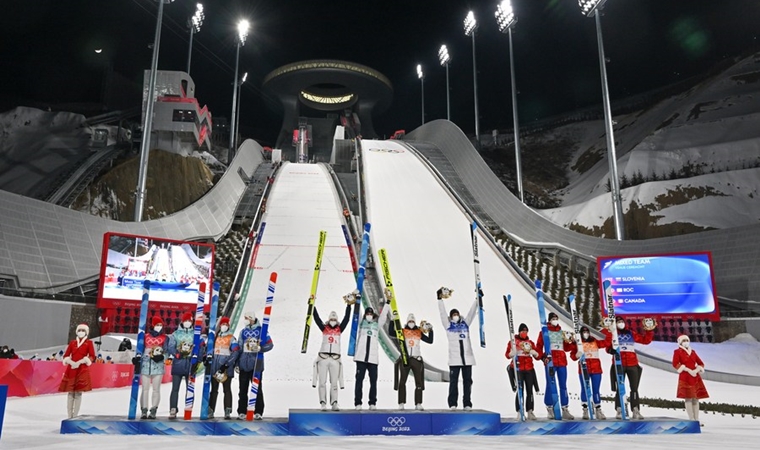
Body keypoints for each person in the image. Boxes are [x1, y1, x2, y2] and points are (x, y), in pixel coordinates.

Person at [601, 316, 656, 419]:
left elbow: (645, 341)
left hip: (632, 364)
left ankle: (635, 410)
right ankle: (619, 409)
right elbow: (607, 346)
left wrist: (649, 331)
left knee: (634, 388)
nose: (620, 323)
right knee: (620, 388)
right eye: (618, 322)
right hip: (619, 363)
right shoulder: (612, 333)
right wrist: (610, 350)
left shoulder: (631, 333)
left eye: (622, 321)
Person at [437, 286, 478, 410]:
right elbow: (442, 314)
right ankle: (453, 403)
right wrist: (439, 300)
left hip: (467, 359)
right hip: (455, 359)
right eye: (453, 314)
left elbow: (472, 312)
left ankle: (467, 403)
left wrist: (477, 299)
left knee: (468, 382)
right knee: (453, 382)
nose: (455, 316)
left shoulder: (465, 323)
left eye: (456, 314)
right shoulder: (448, 325)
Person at [312, 302, 351, 411]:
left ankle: (334, 402)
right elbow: (316, 318)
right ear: (329, 320)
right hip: (323, 358)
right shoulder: (324, 328)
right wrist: (312, 306)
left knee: (334, 382)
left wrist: (348, 306)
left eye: (334, 320)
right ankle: (323, 403)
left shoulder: (339, 329)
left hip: (335, 359)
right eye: (331, 320)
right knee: (322, 382)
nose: (333, 322)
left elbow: (346, 319)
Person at [536, 312, 575, 419]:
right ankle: (549, 407)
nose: (555, 320)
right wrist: (542, 357)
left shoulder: (561, 332)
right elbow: (538, 347)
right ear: (549, 320)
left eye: (556, 318)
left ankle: (565, 408)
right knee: (550, 384)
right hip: (551, 362)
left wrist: (571, 342)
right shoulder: (544, 332)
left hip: (562, 361)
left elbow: (566, 348)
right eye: (553, 318)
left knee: (563, 385)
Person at [236, 311, 273, 420]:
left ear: (252, 318)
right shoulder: (243, 332)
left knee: (257, 388)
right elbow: (239, 348)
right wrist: (237, 364)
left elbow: (270, 344)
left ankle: (258, 411)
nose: (245, 320)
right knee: (242, 389)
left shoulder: (262, 331)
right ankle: (242, 411)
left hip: (256, 364)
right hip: (244, 364)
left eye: (247, 318)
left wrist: (261, 348)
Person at [353, 300, 390, 410]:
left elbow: (383, 317)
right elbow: (357, 313)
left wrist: (387, 303)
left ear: (373, 315)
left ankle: (372, 403)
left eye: (370, 314)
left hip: (373, 359)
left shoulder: (376, 325)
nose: (369, 316)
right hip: (361, 358)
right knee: (359, 381)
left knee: (373, 382)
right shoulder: (361, 324)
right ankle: (358, 403)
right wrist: (357, 301)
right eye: (367, 314)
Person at [569, 325, 611, 420]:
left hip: (596, 369)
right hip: (584, 369)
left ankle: (598, 409)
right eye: (584, 333)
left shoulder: (594, 341)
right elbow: (572, 356)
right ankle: (585, 409)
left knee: (596, 390)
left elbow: (607, 342)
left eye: (587, 332)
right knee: (584, 389)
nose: (586, 334)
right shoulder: (578, 343)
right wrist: (576, 355)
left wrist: (609, 331)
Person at [396, 313, 434, 410]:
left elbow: (430, 341)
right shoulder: (403, 331)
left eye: (413, 321)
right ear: (407, 322)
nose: (411, 323)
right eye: (410, 321)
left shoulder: (418, 332)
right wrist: (393, 320)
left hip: (416, 359)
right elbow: (391, 332)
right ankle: (401, 402)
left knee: (419, 382)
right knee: (402, 381)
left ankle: (418, 403)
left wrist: (431, 330)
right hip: (405, 358)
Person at [58, 323, 96, 418]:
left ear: (86, 332)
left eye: (83, 330)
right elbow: (66, 355)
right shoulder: (72, 343)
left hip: (82, 369)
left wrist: (82, 361)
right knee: (70, 392)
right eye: (79, 330)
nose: (81, 332)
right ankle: (69, 415)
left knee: (78, 393)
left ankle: (75, 416)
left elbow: (92, 356)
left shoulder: (89, 343)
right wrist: (70, 362)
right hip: (72, 369)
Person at [135, 316, 169, 419]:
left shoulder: (164, 337)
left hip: (157, 366)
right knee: (145, 389)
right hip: (146, 365)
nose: (159, 327)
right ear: (153, 325)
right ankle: (144, 409)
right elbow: (140, 349)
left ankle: (153, 409)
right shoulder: (145, 336)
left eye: (160, 325)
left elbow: (167, 351)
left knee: (156, 389)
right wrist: (137, 357)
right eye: (157, 324)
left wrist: (163, 357)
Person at [506, 323, 541, 420]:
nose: (524, 333)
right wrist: (510, 354)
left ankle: (530, 411)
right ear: (519, 332)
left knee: (530, 390)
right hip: (518, 369)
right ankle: (519, 411)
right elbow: (506, 354)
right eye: (523, 331)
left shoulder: (530, 342)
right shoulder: (514, 342)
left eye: (526, 331)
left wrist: (535, 353)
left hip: (529, 369)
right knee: (520, 390)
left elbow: (537, 356)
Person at [206, 316, 239, 420]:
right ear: (220, 326)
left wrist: (227, 364)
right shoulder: (215, 338)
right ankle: (211, 410)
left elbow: (236, 352)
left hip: (225, 369)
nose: (224, 326)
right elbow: (208, 349)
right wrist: (206, 358)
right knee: (214, 390)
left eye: (226, 324)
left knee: (227, 389)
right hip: (215, 368)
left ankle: (227, 410)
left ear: (228, 326)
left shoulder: (231, 338)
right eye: (222, 324)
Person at [672, 335, 708, 424]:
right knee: (688, 397)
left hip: (695, 376)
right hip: (685, 376)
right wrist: (686, 369)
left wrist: (696, 370)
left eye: (687, 340)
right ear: (680, 342)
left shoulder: (693, 352)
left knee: (696, 398)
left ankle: (696, 419)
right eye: (683, 340)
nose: (685, 342)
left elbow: (701, 363)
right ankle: (691, 418)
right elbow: (675, 363)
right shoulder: (677, 352)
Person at [167, 311, 196, 419]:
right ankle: (173, 408)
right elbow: (170, 346)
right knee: (175, 388)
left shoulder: (195, 334)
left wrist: (195, 356)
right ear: (182, 321)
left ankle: (188, 408)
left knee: (190, 388)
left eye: (189, 320)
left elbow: (200, 347)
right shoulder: (176, 334)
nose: (188, 322)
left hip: (190, 364)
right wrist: (177, 354)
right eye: (186, 320)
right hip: (178, 363)